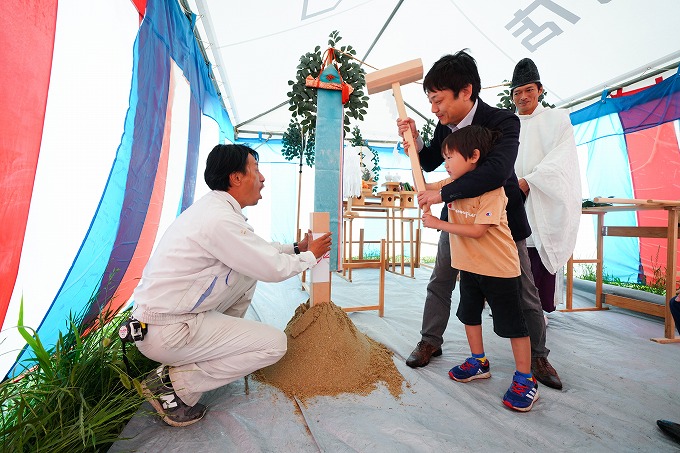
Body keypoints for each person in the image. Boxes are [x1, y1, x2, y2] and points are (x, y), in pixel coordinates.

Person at [131, 144, 332, 427]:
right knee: (274, 345)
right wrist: (311, 256)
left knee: (246, 272)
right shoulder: (218, 219)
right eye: (256, 170)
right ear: (236, 177)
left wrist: (297, 248)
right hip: (170, 330)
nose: (262, 178)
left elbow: (256, 250)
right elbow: (271, 267)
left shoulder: (215, 210)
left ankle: (206, 356)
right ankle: (173, 387)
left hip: (168, 321)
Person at [397, 49, 563, 390]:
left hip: (501, 221)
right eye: (430, 101)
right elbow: (430, 162)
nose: (434, 109)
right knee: (441, 279)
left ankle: (537, 355)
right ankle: (431, 340)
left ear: (466, 91)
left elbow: (496, 172)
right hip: (457, 217)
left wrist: (440, 194)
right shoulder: (445, 127)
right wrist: (414, 143)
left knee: (524, 291)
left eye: (438, 100)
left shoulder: (504, 121)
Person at [422, 125, 538, 411]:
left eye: (450, 158)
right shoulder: (451, 184)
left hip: (499, 269)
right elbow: (426, 187)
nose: (446, 164)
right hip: (469, 267)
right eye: (444, 159)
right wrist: (411, 148)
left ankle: (526, 378)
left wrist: (437, 223)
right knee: (469, 315)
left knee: (512, 324)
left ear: (473, 156)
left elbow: (477, 231)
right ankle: (478, 361)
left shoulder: (493, 191)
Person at [510, 58, 582, 314]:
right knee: (512, 255)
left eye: (529, 90)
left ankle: (538, 313)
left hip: (541, 197)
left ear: (540, 90)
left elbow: (562, 160)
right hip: (512, 198)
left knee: (538, 255)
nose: (523, 97)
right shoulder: (509, 125)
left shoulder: (557, 120)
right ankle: (514, 311)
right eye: (517, 92)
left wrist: (530, 181)